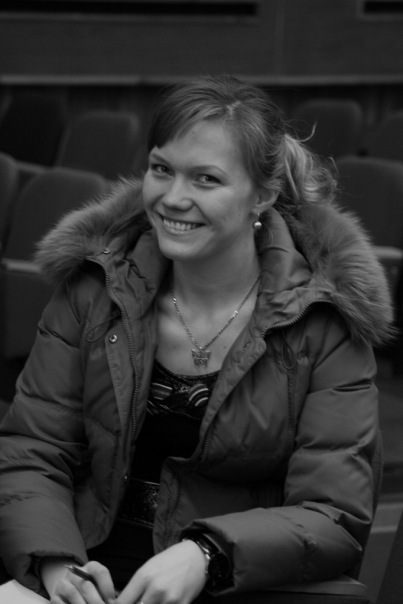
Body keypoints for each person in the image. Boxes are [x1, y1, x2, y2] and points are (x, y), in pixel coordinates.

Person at [0, 75, 393, 604]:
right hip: (83, 561)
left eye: (206, 179)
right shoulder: (94, 289)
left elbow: (333, 514)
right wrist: (54, 564)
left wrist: (207, 553)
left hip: (232, 582)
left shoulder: (323, 319)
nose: (173, 198)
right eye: (161, 169)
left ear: (263, 195)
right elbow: (32, 451)